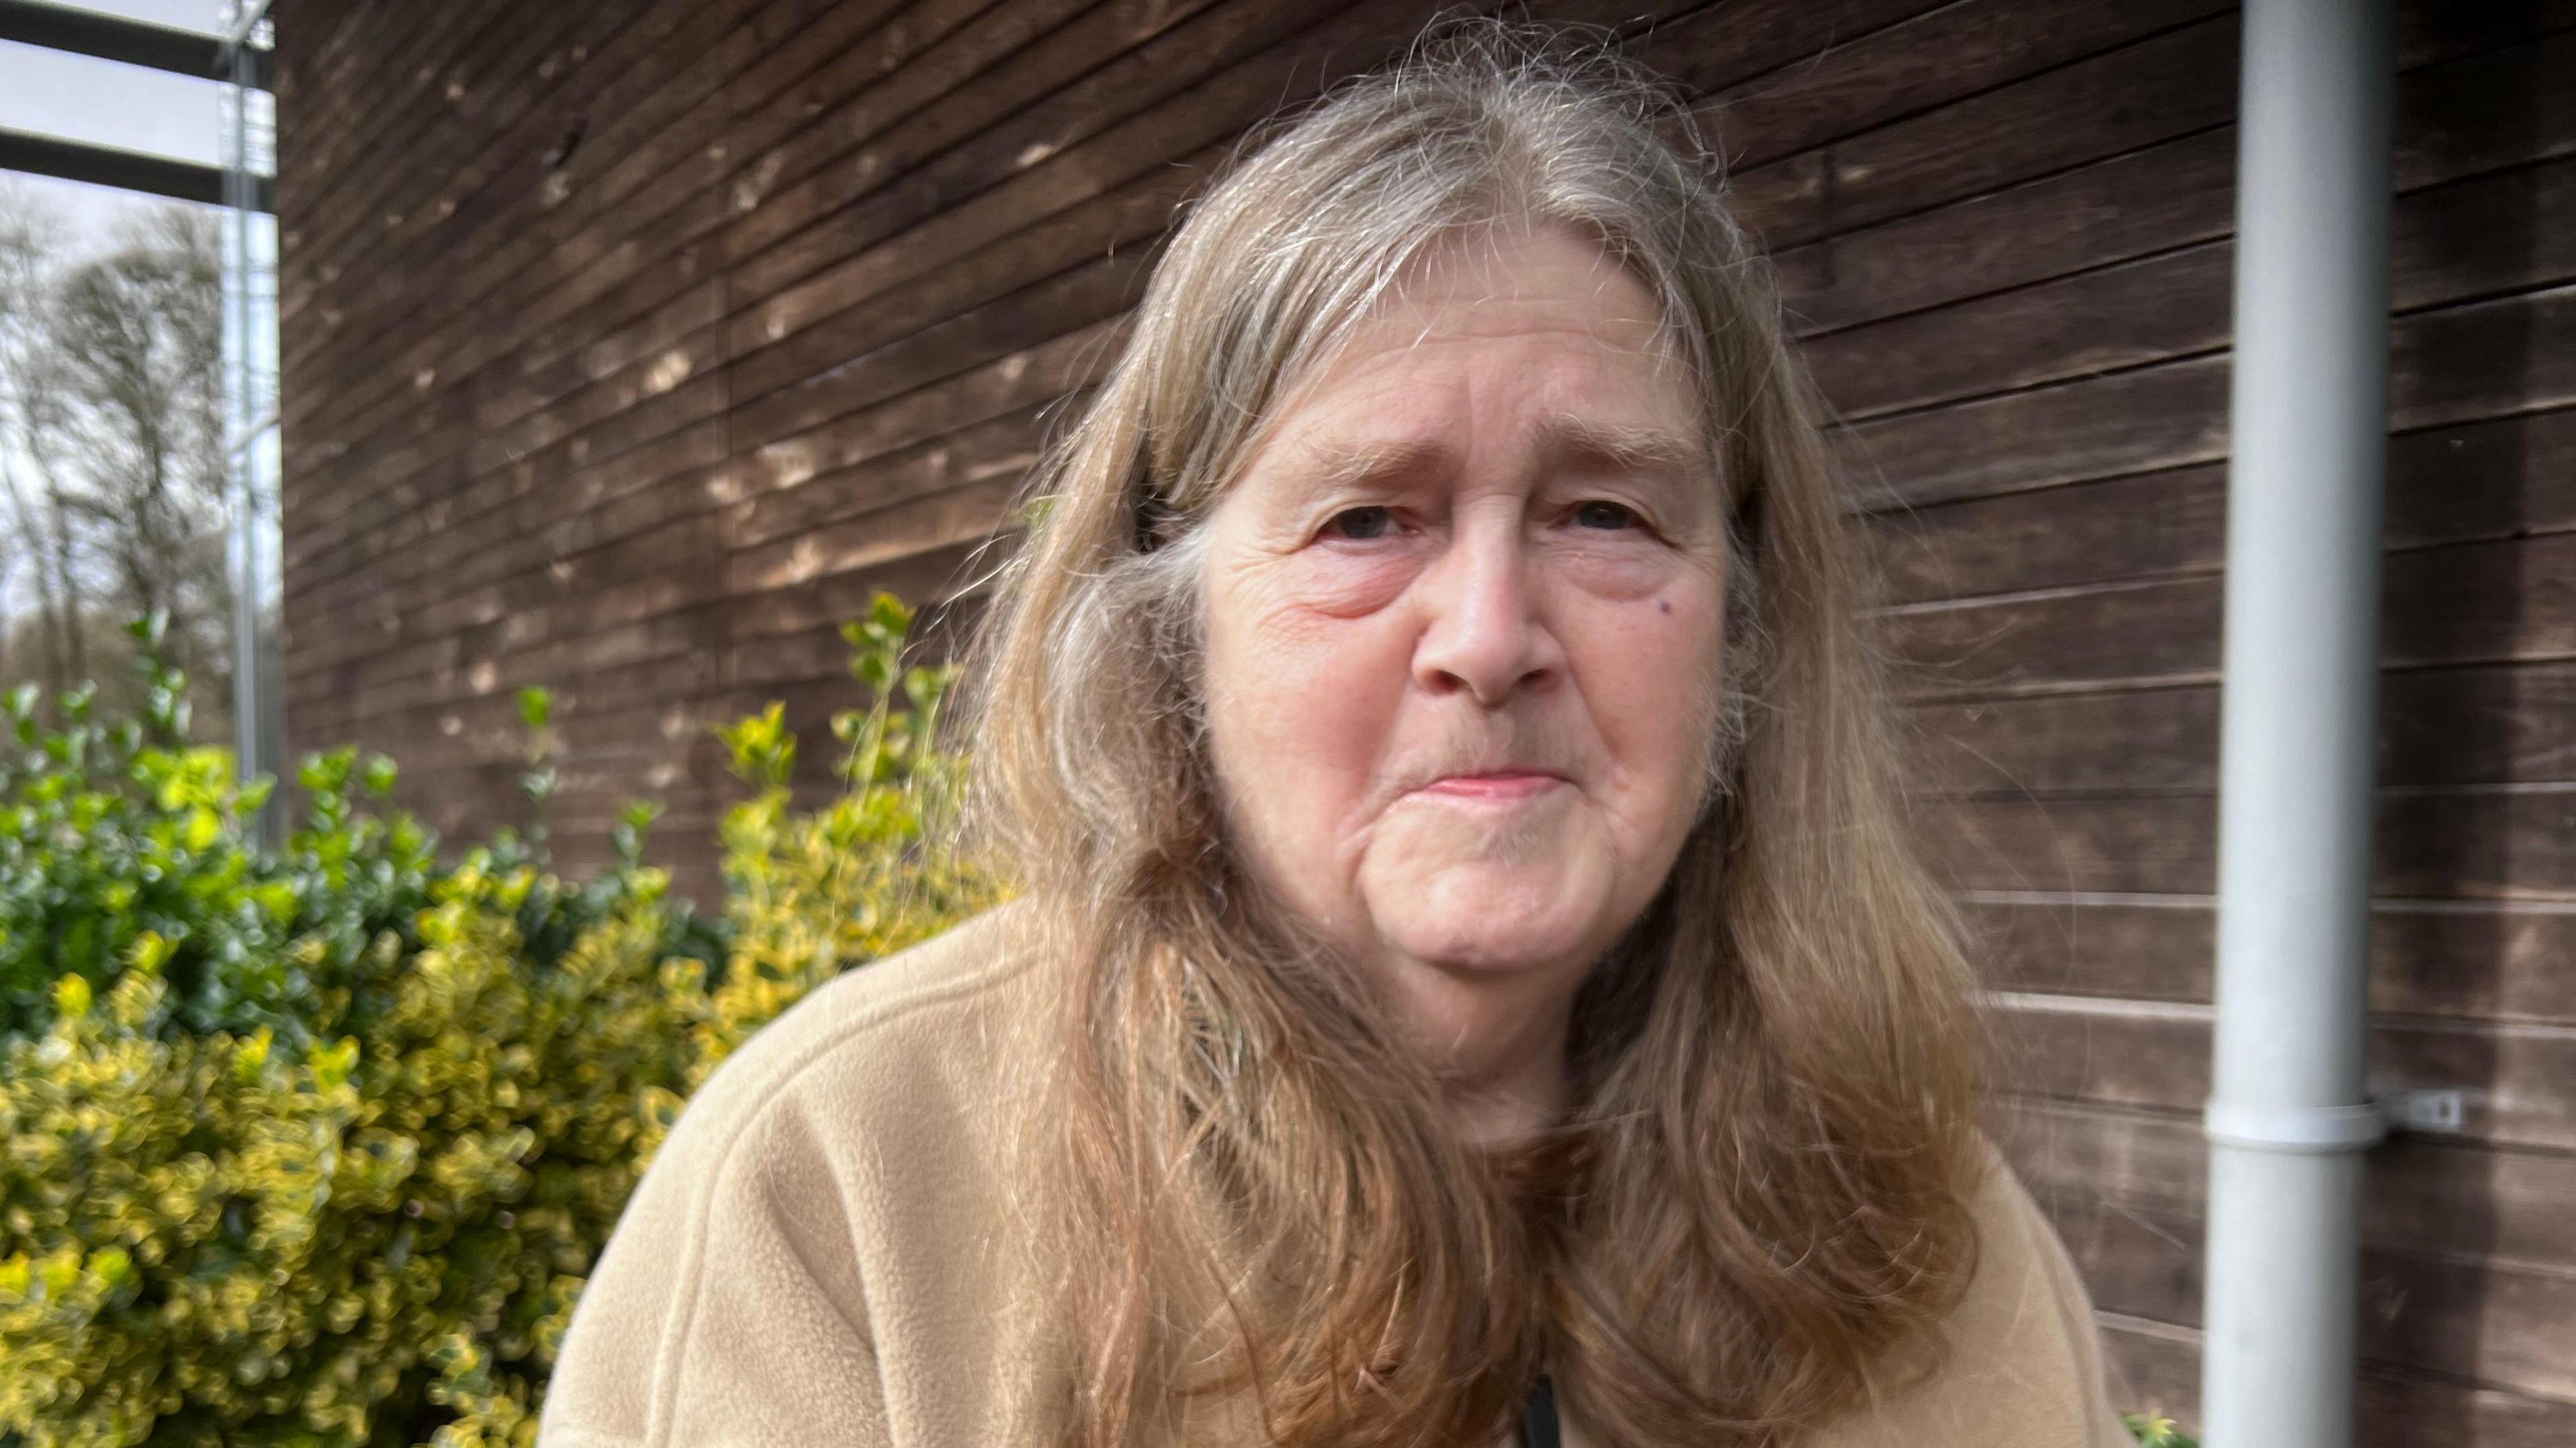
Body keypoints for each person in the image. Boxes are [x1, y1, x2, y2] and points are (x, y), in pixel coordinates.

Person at [539, 23, 2133, 1448]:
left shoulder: (1937, 1248)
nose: (1493, 635)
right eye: (1369, 520)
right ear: (1172, 627)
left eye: (1604, 512)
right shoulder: (849, 1197)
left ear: (1743, 622)